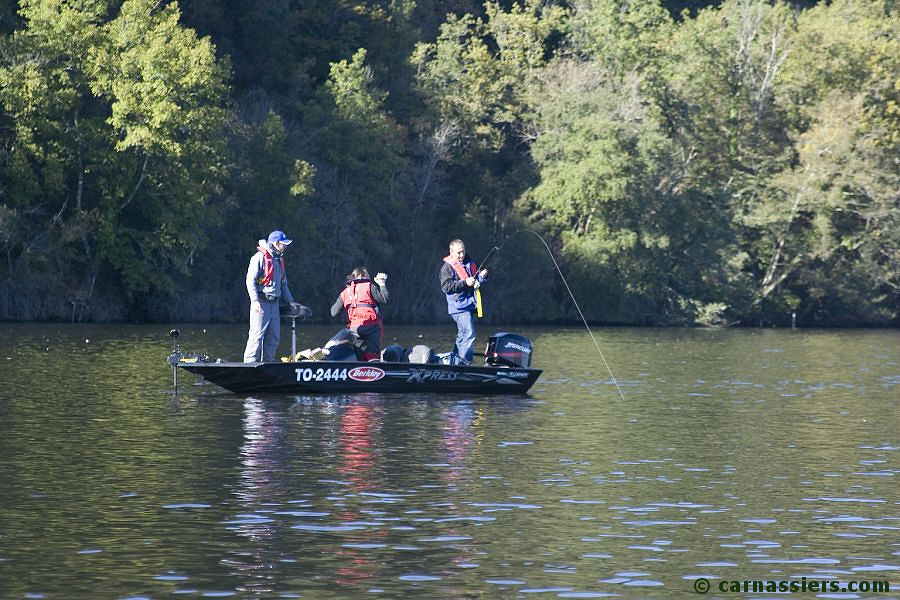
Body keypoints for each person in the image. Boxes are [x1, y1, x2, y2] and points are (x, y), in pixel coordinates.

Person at [243, 230, 302, 362]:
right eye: (283, 244)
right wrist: (254, 301)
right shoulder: (259, 257)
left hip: (274, 305)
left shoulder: (279, 261)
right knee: (256, 336)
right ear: (275, 243)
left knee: (273, 338)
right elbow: (250, 280)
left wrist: (290, 302)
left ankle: (267, 366)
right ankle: (249, 365)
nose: (285, 247)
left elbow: (284, 285)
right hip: (261, 303)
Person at [439, 239, 487, 365]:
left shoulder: (470, 262)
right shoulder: (446, 268)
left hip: (470, 305)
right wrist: (465, 283)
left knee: (463, 335)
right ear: (451, 252)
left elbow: (476, 281)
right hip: (458, 307)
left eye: (463, 252)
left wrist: (482, 276)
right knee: (469, 334)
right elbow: (446, 287)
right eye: (458, 253)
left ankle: (454, 363)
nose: (461, 255)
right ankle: (464, 364)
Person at [330, 267, 389, 361]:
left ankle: (359, 361)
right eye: (368, 275)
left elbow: (333, 312)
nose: (369, 278)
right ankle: (373, 364)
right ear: (362, 275)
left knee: (359, 347)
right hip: (372, 326)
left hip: (354, 328)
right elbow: (384, 298)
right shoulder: (369, 286)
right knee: (373, 354)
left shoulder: (345, 292)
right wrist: (382, 284)